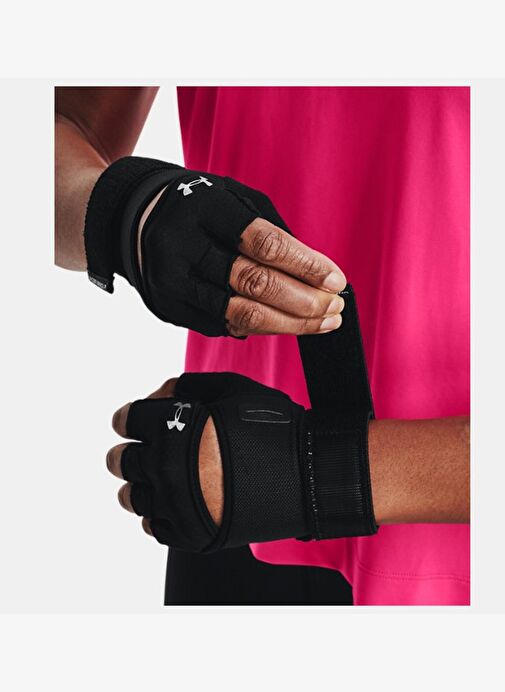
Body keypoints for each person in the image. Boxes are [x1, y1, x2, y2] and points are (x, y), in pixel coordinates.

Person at [55, 86, 470, 605]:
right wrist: (126, 211)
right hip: (228, 485)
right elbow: (60, 131)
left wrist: (314, 470)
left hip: (435, 542)